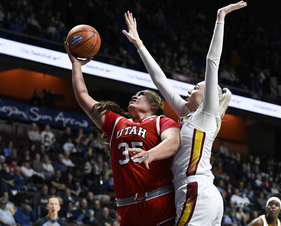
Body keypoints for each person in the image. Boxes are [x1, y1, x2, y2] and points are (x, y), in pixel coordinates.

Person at [123, 1, 247, 225]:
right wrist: (139, 44)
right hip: (197, 190)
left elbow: (212, 63)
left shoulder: (207, 114)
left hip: (195, 190)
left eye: (196, 88)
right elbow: (160, 81)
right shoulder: (188, 116)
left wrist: (221, 18)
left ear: (208, 95)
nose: (189, 90)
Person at [64, 33, 181, 225]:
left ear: (154, 105)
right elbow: (83, 97)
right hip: (127, 207)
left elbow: (173, 142)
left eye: (141, 94)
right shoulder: (116, 122)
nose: (134, 96)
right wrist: (76, 65)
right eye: (133, 94)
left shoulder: (162, 121)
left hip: (159, 201)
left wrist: (149, 155)